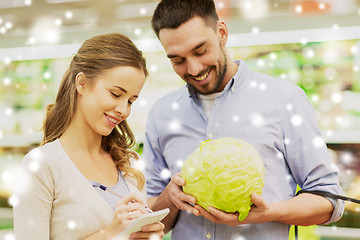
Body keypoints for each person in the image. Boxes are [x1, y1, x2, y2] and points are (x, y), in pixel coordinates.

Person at [142, 0, 345, 239]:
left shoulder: (284, 99)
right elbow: (153, 226)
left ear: (222, 32)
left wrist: (268, 212)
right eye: (177, 60)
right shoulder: (162, 114)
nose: (194, 69)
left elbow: (329, 201)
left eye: (200, 51)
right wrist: (170, 198)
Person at [13, 33, 165, 240]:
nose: (124, 110)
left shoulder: (130, 164)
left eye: (131, 101)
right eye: (115, 94)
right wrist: (110, 233)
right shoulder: (42, 166)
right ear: (82, 83)